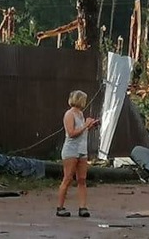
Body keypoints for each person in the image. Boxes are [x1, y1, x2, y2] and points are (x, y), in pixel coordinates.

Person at [56, 89, 98, 217]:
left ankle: (82, 207)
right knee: (68, 178)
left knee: (82, 179)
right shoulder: (69, 114)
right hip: (71, 150)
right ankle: (60, 207)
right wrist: (85, 125)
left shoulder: (80, 114)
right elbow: (71, 133)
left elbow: (82, 132)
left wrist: (91, 126)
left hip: (82, 150)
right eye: (84, 99)